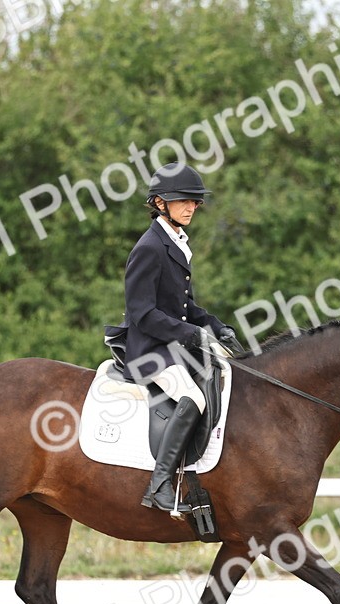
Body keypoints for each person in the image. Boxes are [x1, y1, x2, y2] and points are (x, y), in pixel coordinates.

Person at [121, 162, 243, 513]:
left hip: (171, 344)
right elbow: (143, 313)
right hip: (148, 349)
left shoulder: (175, 242)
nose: (193, 207)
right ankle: (159, 486)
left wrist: (216, 326)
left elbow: (183, 306)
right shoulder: (150, 247)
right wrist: (192, 334)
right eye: (184, 201)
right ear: (160, 203)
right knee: (194, 396)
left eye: (196, 201)